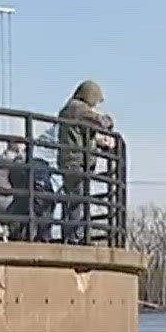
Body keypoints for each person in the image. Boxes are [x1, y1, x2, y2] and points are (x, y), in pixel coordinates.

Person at [56, 80, 113, 245]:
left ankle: (72, 236)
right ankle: (75, 238)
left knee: (73, 201)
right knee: (77, 201)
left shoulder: (70, 109)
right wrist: (109, 120)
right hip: (76, 162)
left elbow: (82, 133)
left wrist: (97, 142)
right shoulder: (78, 109)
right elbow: (101, 122)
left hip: (69, 161)